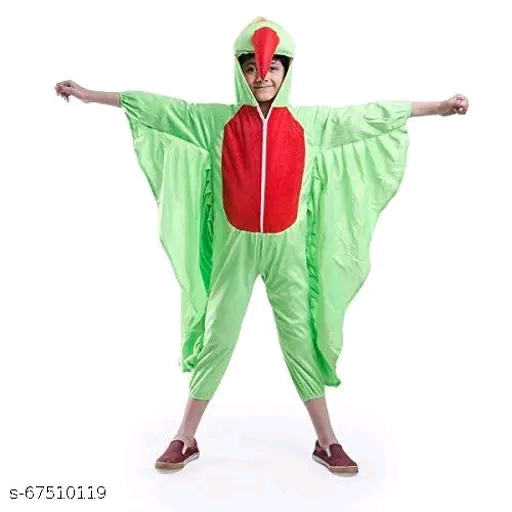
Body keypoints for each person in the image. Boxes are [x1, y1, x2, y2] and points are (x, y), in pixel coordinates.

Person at [55, 17, 469, 475]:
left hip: (286, 251)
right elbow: (158, 109)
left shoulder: (313, 124)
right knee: (217, 338)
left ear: (286, 72)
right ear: (240, 72)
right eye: (252, 68)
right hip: (234, 250)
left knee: (300, 341)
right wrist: (90, 95)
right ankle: (184, 437)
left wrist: (438, 108)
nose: (262, 77)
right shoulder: (213, 122)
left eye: (271, 68)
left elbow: (369, 115)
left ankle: (327, 441)